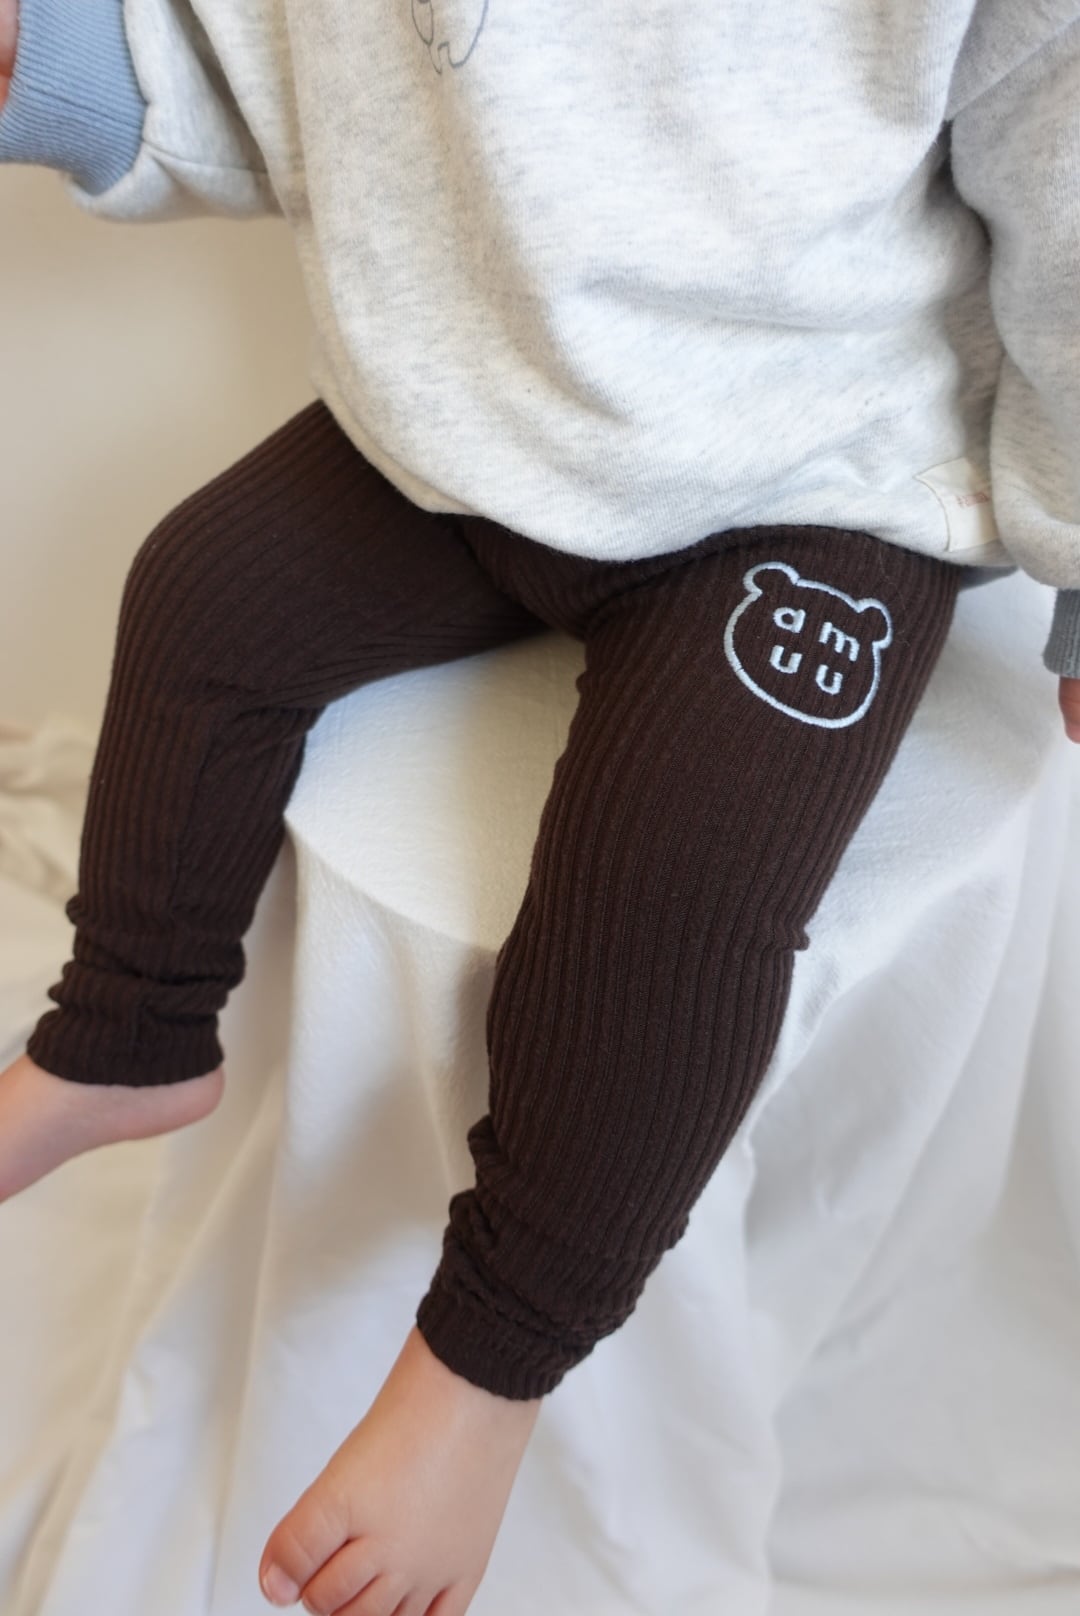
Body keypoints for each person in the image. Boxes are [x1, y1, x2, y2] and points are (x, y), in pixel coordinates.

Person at [1, 3, 1078, 1612]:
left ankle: (483, 1371)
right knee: (197, 598)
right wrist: (61, 59)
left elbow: (1063, 162)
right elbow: (274, 52)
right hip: (469, 416)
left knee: (675, 878)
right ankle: (126, 1035)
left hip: (813, 467)